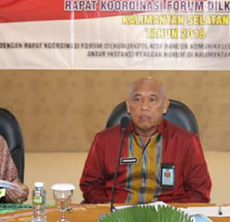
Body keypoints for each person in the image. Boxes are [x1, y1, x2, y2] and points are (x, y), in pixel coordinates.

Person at [80, 77, 211, 204]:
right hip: (118, 213)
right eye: (138, 99)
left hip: (167, 214)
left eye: (152, 100)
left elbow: (199, 191)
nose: (144, 106)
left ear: (164, 106)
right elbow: (90, 185)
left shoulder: (187, 142)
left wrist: (171, 212)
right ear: (128, 106)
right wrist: (110, 208)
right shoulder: (105, 140)